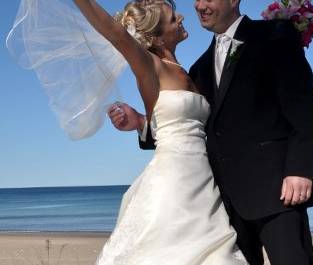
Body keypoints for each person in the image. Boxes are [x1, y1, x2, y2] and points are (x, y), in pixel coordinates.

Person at [109, 0, 313, 265]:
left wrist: (300, 169)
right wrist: (141, 123)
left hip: (278, 192)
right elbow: (186, 129)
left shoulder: (275, 33)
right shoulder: (198, 69)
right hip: (221, 206)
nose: (199, 5)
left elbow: (304, 102)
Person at [71, 0, 249, 264]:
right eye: (171, 18)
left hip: (204, 184)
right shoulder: (149, 66)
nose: (181, 17)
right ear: (156, 36)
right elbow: (114, 32)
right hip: (173, 184)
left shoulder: (192, 72)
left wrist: (142, 122)